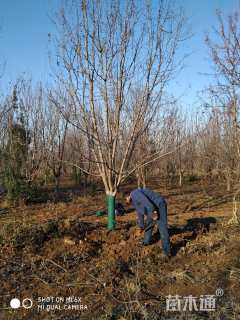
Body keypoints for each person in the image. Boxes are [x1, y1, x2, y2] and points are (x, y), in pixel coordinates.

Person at [126, 188, 171, 257]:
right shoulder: (133, 201)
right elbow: (139, 212)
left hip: (159, 204)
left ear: (128, 197)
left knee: (162, 227)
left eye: (125, 200)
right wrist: (141, 226)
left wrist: (153, 214)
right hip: (152, 207)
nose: (126, 202)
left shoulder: (135, 193)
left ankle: (166, 252)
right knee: (149, 223)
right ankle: (146, 242)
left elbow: (147, 203)